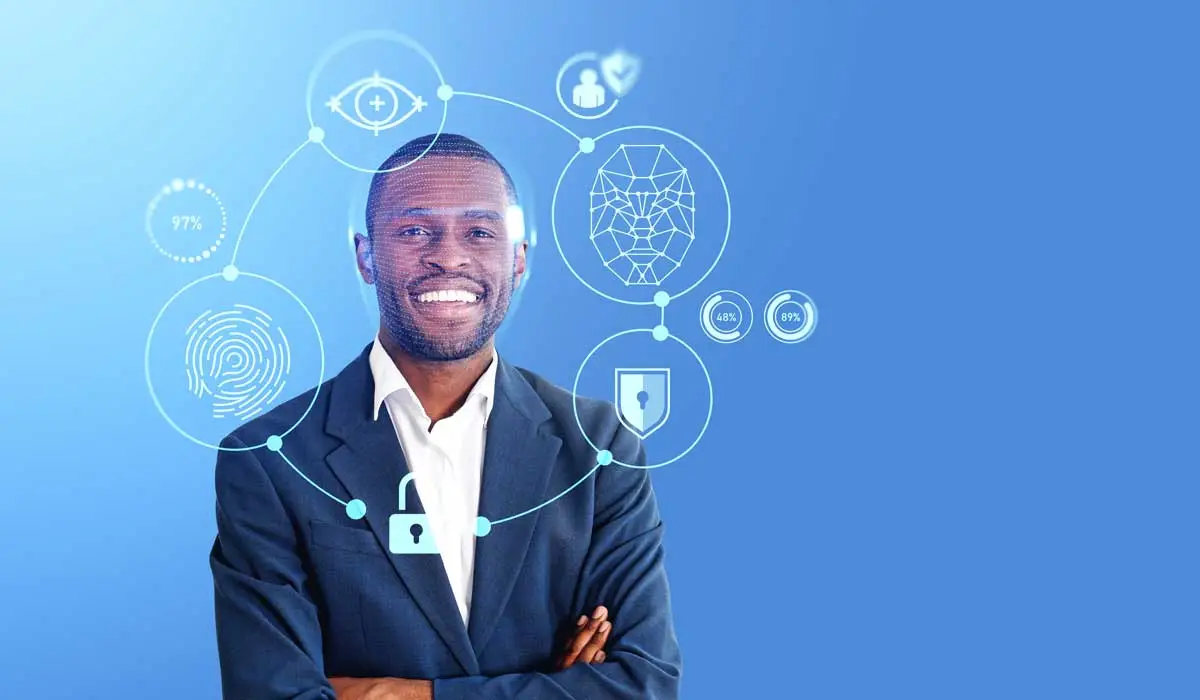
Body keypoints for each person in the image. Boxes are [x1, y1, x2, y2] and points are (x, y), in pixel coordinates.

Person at [209, 133, 681, 699]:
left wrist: (405, 694)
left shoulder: (599, 447)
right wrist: (551, 688)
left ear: (519, 258)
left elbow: (641, 685)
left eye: (479, 232)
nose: (449, 257)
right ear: (366, 256)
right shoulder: (271, 460)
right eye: (414, 231)